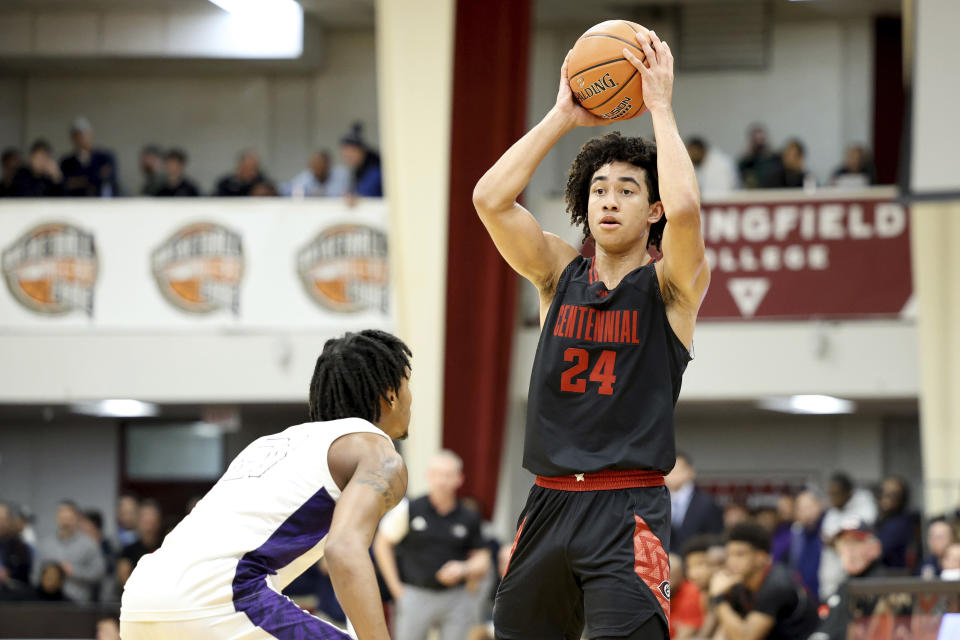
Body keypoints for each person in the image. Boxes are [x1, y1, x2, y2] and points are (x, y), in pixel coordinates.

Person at [474, 31, 709, 640]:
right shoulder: (557, 274)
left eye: (628, 190)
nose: (610, 200)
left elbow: (688, 212)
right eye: (599, 189)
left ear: (650, 210)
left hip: (629, 507)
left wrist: (659, 106)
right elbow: (490, 199)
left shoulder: (670, 288)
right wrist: (561, 115)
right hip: (548, 501)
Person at [120, 329, 412, 640]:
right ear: (391, 393)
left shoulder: (271, 444)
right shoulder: (379, 453)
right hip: (219, 599)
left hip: (141, 598)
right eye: (408, 386)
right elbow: (343, 549)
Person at [373, 450, 491, 640]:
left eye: (448, 475)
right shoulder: (409, 509)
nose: (442, 481)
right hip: (415, 594)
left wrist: (463, 568)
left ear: (459, 479)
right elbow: (381, 544)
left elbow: (483, 559)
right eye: (436, 474)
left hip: (456, 598)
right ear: (428, 477)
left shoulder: (469, 516)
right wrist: (397, 589)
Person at [709, 523, 820, 640]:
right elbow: (726, 631)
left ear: (761, 557)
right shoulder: (739, 585)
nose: (731, 561)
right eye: (729, 555)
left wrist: (719, 599)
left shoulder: (776, 585)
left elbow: (746, 638)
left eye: (739, 554)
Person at [813, 519, 894, 640]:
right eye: (842, 543)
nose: (847, 550)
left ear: (874, 547)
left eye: (855, 542)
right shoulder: (846, 583)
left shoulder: (880, 584)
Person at [33, 500, 106, 603]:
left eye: (69, 518)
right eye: (62, 517)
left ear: (76, 518)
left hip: (79, 603)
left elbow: (99, 574)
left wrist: (74, 571)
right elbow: (35, 575)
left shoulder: (89, 545)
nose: (65, 521)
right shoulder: (45, 544)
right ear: (57, 517)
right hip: (48, 603)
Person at [819, 472, 877, 599]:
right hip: (832, 577)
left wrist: (838, 539)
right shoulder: (831, 513)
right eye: (830, 493)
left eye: (836, 493)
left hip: (858, 577)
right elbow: (828, 539)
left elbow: (849, 537)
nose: (832, 497)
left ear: (848, 493)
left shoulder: (864, 506)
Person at [666, 452, 723, 550]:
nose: (672, 475)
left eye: (677, 470)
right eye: (668, 471)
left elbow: (716, 538)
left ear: (691, 472)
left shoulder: (707, 503)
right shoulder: (654, 503)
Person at [60, 117, 119, 197]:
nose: (81, 139)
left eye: (83, 134)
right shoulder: (66, 162)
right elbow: (64, 183)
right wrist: (94, 176)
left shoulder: (105, 157)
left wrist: (79, 180)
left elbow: (109, 178)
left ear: (90, 134)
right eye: (77, 135)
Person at [116, 499, 163, 590]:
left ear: (158, 521)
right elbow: (124, 577)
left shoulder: (167, 548)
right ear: (138, 521)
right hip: (136, 596)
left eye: (152, 518)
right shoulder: (128, 550)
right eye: (145, 518)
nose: (148, 522)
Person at [786, 490, 824, 599]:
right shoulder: (794, 535)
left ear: (819, 506)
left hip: (827, 592)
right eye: (802, 509)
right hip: (804, 595)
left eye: (810, 507)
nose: (807, 513)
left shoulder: (829, 531)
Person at [875, 476, 917, 571]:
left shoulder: (900, 524)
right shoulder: (881, 521)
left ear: (902, 498)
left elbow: (877, 551)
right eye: (883, 493)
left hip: (894, 578)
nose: (886, 498)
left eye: (893, 495)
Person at [282, 150, 351, 197]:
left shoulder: (341, 174)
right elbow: (286, 190)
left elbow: (346, 193)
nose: (316, 167)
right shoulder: (306, 177)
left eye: (319, 163)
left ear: (327, 164)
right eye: (313, 164)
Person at [340, 124, 383, 197]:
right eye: (346, 154)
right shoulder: (358, 170)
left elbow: (366, 194)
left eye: (352, 152)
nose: (348, 156)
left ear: (361, 151)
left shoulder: (375, 170)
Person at [668, 552, 703, 640]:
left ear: (680, 574)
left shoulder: (691, 593)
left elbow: (685, 635)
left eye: (670, 576)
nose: (666, 581)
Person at [737, 124, 780, 189]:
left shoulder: (776, 160)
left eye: (761, 140)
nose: (759, 143)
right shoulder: (745, 163)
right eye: (756, 140)